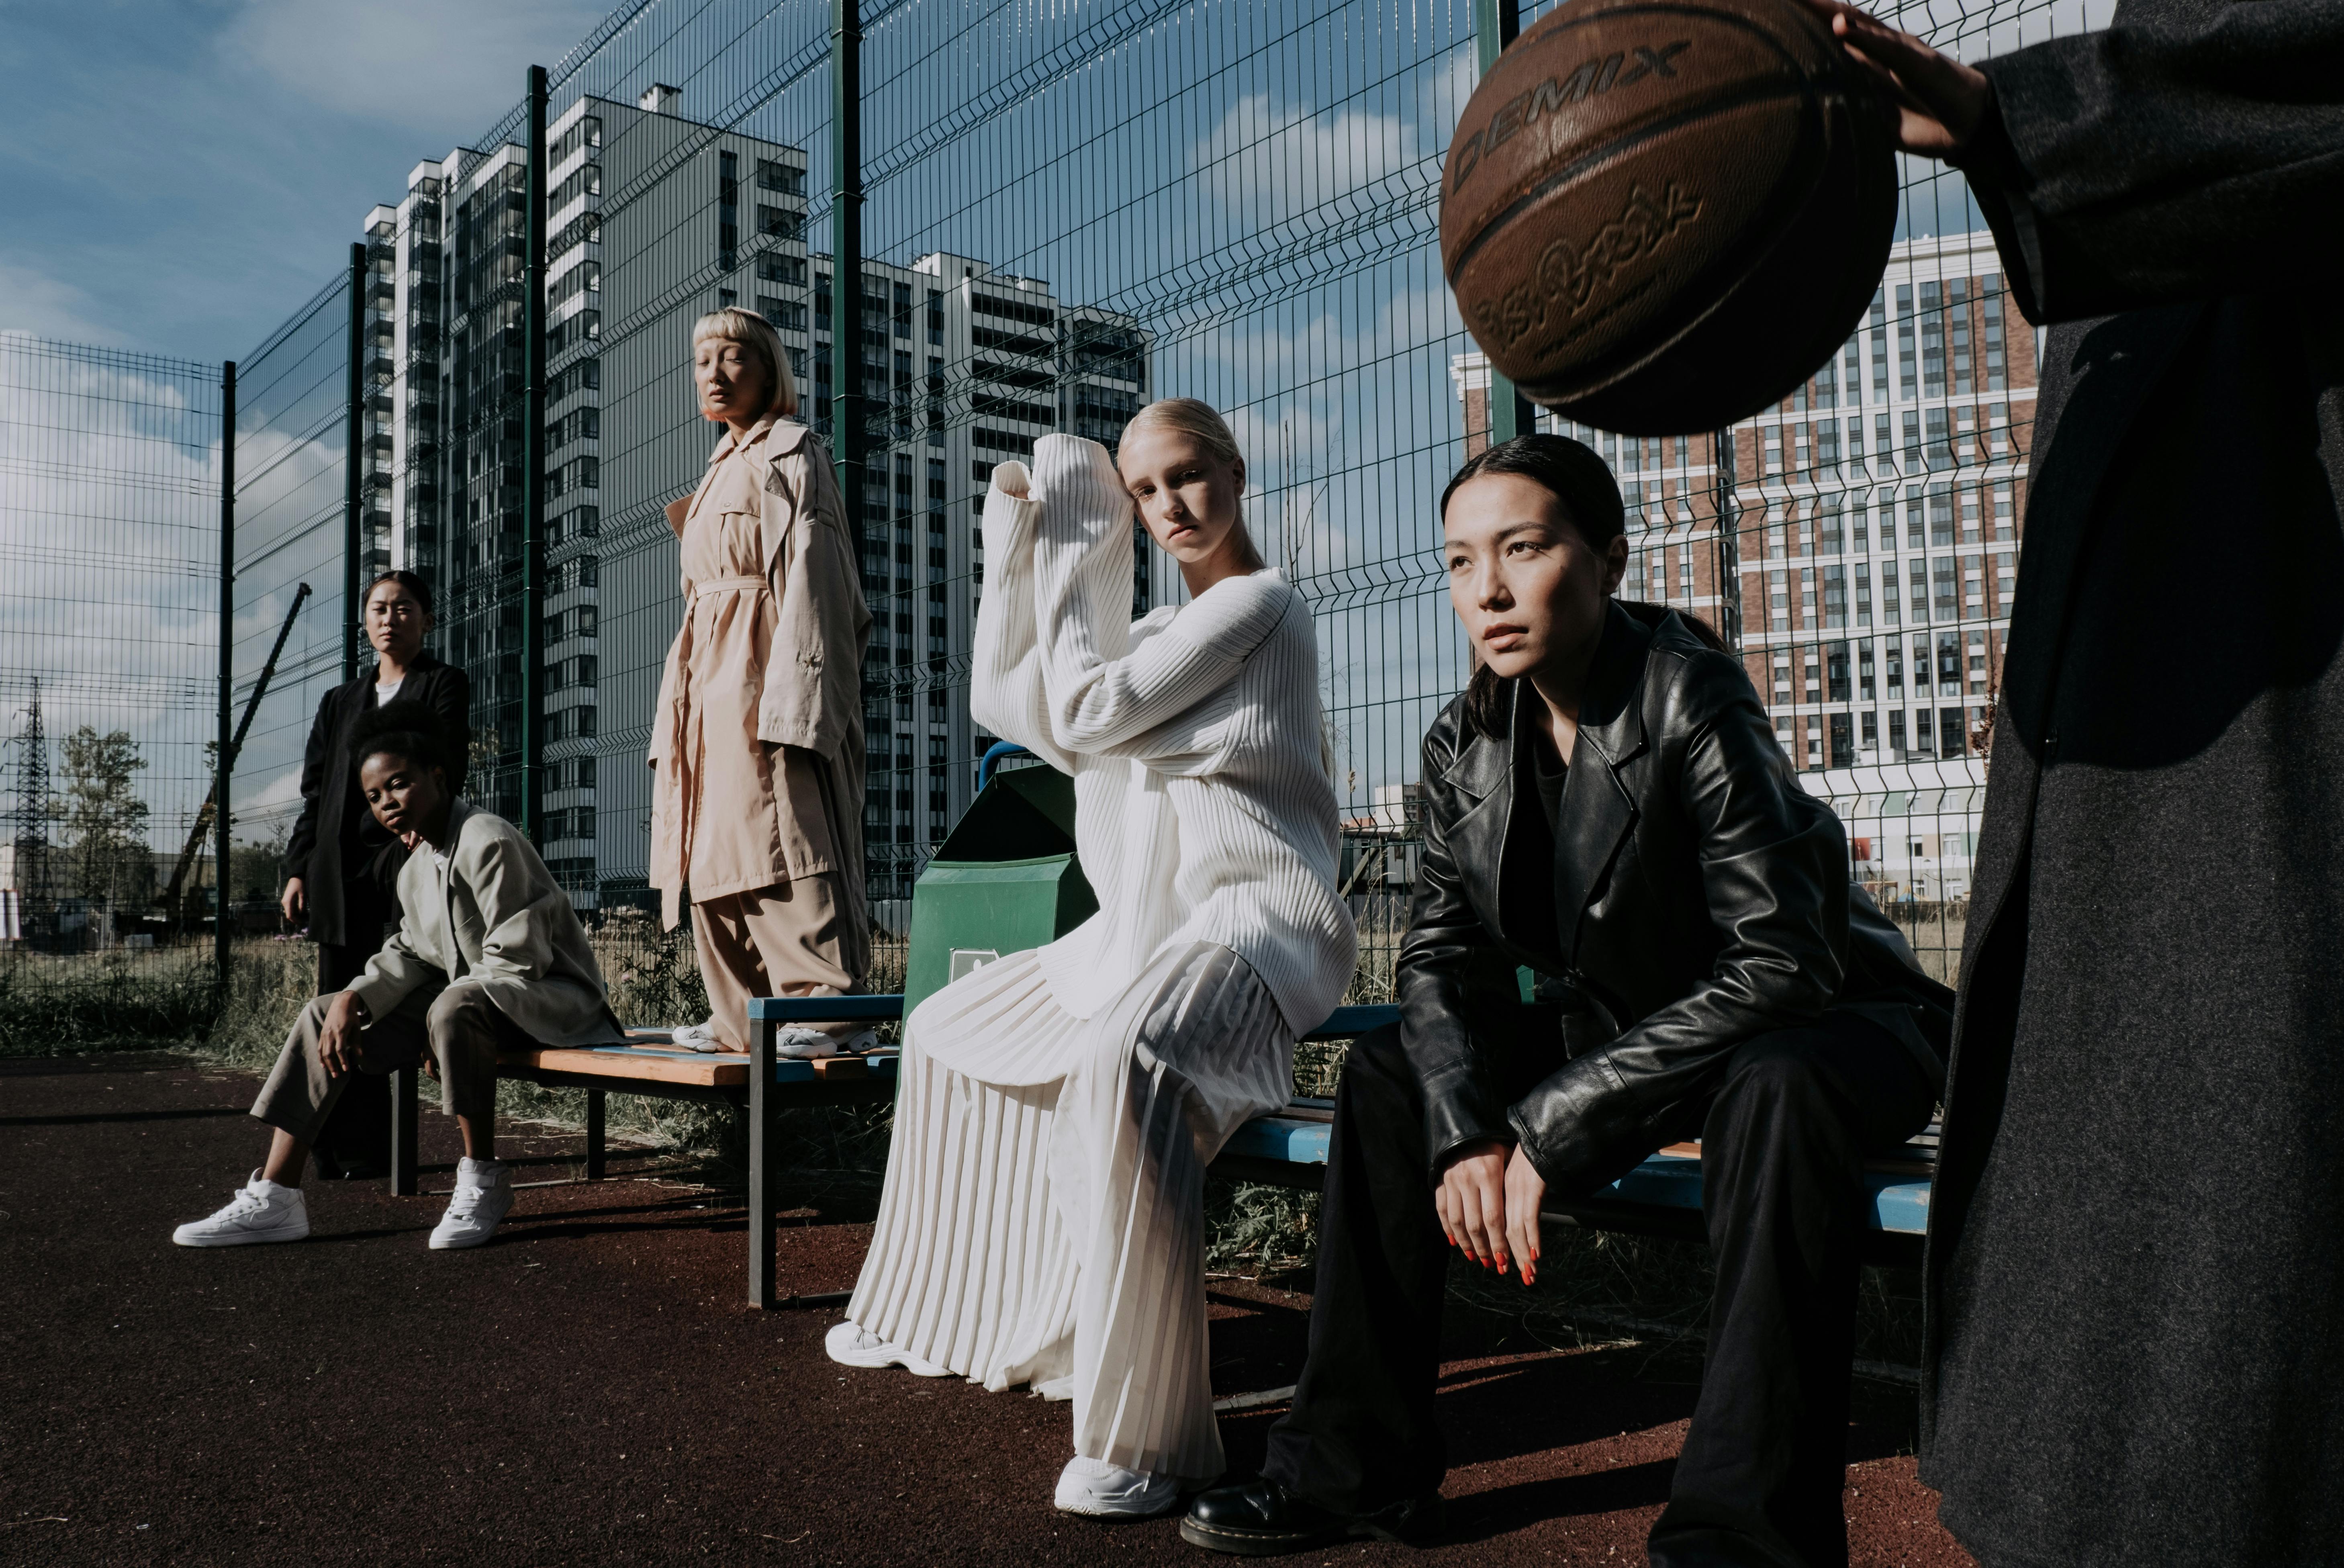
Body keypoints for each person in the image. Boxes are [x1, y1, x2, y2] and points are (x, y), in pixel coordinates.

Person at [1185, 435, 1953, 1564]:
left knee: (1773, 1094)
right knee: (1394, 1074)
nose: (1485, 589)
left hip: (1834, 1024)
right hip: (1647, 1032)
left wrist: (1543, 1135)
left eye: (1523, 549)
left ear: (1606, 562)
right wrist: (1463, 1135)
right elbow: (1440, 960)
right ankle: (1353, 1470)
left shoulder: (1688, 692)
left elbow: (1782, 961)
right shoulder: (1462, 741)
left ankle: (1741, 1539)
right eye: (1457, 563)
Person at [1800, 5, 2344, 1563]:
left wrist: (2015, 124)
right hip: (2156, 645)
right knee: (2132, 1250)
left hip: (2273, 659)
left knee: (2227, 1251)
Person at [826, 400, 1355, 1519]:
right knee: (946, 1029)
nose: (1168, 508)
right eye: (1142, 493)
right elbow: (1017, 708)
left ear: (1236, 471)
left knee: (1130, 1068)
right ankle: (948, 1310)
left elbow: (1084, 704)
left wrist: (1077, 519)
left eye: (1187, 479)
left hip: (1256, 928)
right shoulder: (1162, 633)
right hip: (1144, 931)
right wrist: (1015, 544)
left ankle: (1154, 1440)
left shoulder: (1260, 608)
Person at [173, 701, 625, 1252]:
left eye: (400, 785)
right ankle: (276, 1196)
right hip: (474, 1003)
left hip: (550, 1004)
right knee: (324, 1014)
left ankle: (482, 1177)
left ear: (437, 777)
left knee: (451, 1009)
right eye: (375, 796)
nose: (388, 804)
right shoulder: (415, 866)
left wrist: (444, 1019)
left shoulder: (488, 839)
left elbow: (518, 958)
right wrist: (354, 998)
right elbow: (413, 953)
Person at [649, 306, 873, 1058]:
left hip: (763, 665)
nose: (713, 374)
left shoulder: (793, 452)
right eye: (702, 361)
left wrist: (803, 695)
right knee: (710, 840)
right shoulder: (719, 467)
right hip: (706, 675)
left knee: (782, 829)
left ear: (769, 368)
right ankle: (737, 1013)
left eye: (733, 358)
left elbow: (820, 581)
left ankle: (830, 1009)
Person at [279, 570, 468, 1179]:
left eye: (405, 608)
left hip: (401, 861)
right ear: (366, 622)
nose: (391, 618)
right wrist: (299, 867)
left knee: (388, 1002)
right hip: (338, 874)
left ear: (427, 619)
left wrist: (419, 833)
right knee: (338, 1005)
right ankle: (343, 1151)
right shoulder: (339, 701)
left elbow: (448, 764)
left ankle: (389, 1146)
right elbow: (316, 793)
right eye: (380, 608)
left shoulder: (442, 684)